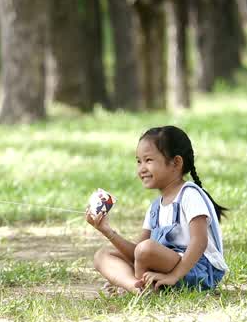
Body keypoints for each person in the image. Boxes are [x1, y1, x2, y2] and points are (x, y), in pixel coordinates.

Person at [87, 125, 228, 294]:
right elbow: (136, 254)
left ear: (176, 163)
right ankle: (136, 287)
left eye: (148, 160)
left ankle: (146, 287)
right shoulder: (155, 207)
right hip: (165, 267)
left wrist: (174, 276)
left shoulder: (189, 195)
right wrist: (107, 230)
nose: (141, 169)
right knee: (103, 255)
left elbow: (200, 242)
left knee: (146, 249)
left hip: (198, 270)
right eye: (138, 161)